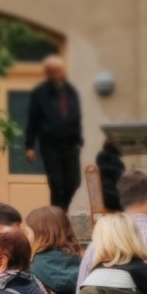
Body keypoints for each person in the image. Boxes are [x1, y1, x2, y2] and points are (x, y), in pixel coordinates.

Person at [23, 55, 84, 211]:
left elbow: (76, 116)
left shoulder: (70, 91)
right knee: (57, 184)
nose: (57, 73)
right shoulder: (40, 93)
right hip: (50, 145)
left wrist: (78, 138)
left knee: (73, 182)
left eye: (59, 70)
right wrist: (29, 145)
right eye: (53, 71)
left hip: (71, 144)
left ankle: (61, 211)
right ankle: (57, 216)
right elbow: (33, 119)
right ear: (48, 73)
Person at [96, 137, 125, 212]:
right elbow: (121, 184)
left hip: (104, 197)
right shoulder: (114, 163)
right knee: (136, 200)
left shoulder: (102, 162)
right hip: (113, 198)